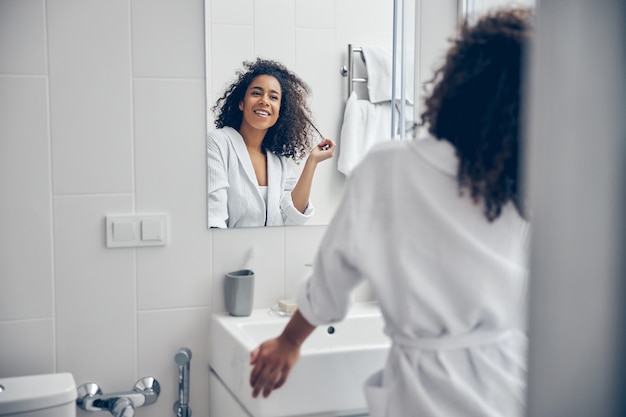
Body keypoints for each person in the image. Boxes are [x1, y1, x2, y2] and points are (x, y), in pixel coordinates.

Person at [249, 7, 532, 417]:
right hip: (516, 383)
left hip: (426, 392)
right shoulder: (527, 188)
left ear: (456, 84)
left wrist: (290, 341)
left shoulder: (391, 167)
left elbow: (333, 273)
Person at [207, 58, 336, 228]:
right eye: (256, 93)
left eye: (273, 97)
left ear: (279, 112)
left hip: (273, 252)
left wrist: (312, 162)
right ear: (241, 103)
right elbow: (214, 217)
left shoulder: (278, 160)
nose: (264, 101)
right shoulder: (219, 142)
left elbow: (292, 218)